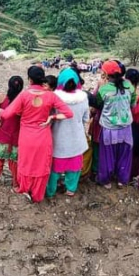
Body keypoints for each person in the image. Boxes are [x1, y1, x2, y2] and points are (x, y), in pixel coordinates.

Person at [1, 66, 73, 203]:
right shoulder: (51, 95)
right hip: (43, 137)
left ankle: (23, 189)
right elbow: (69, 113)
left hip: (27, 137)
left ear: (29, 79)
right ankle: (38, 196)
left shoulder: (24, 95)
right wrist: (52, 117)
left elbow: (6, 114)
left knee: (25, 164)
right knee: (41, 166)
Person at [47, 68, 90, 198]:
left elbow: (49, 119)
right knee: (74, 167)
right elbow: (85, 119)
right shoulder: (83, 98)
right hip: (77, 139)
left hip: (58, 139)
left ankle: (50, 191)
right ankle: (70, 189)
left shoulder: (54, 98)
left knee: (54, 169)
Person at [95, 60, 136, 189]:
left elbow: (99, 104)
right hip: (125, 127)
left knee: (107, 155)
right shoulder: (129, 86)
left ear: (106, 74)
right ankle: (122, 180)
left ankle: (106, 181)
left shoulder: (104, 89)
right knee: (124, 154)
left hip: (109, 127)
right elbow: (132, 104)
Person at [0, 76, 24, 188]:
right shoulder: (23, 101)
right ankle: (16, 185)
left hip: (1, 136)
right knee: (15, 165)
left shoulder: (2, 97)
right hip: (16, 138)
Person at [126, 69, 139, 179]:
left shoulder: (126, 90)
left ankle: (124, 171)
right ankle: (134, 173)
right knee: (136, 151)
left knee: (126, 149)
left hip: (128, 122)